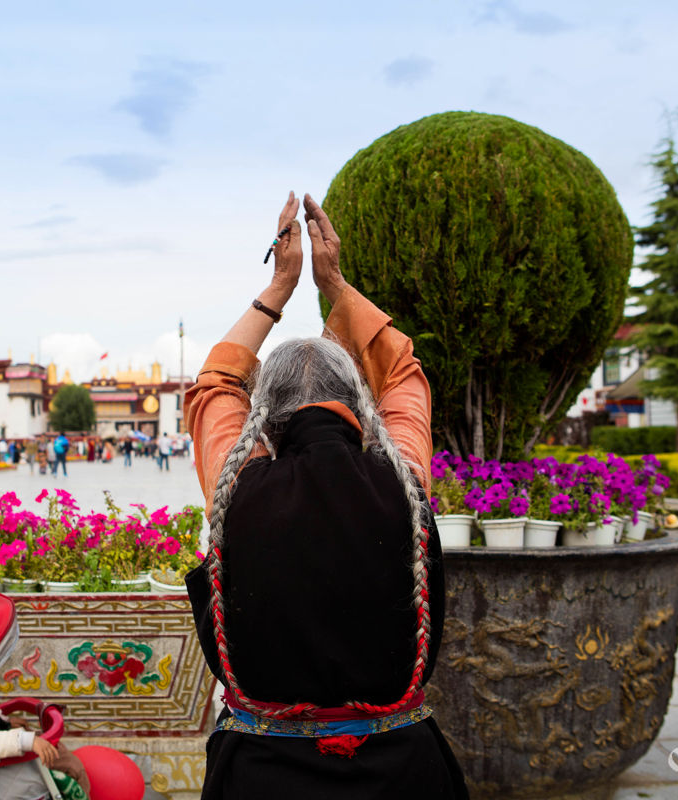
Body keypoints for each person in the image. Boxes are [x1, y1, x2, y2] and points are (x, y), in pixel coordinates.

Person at [184, 192, 467, 799]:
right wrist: (333, 282)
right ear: (363, 410)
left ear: (265, 421)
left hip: (262, 778)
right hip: (403, 775)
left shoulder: (237, 485)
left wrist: (279, 288)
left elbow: (214, 384)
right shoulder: (404, 480)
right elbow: (403, 371)